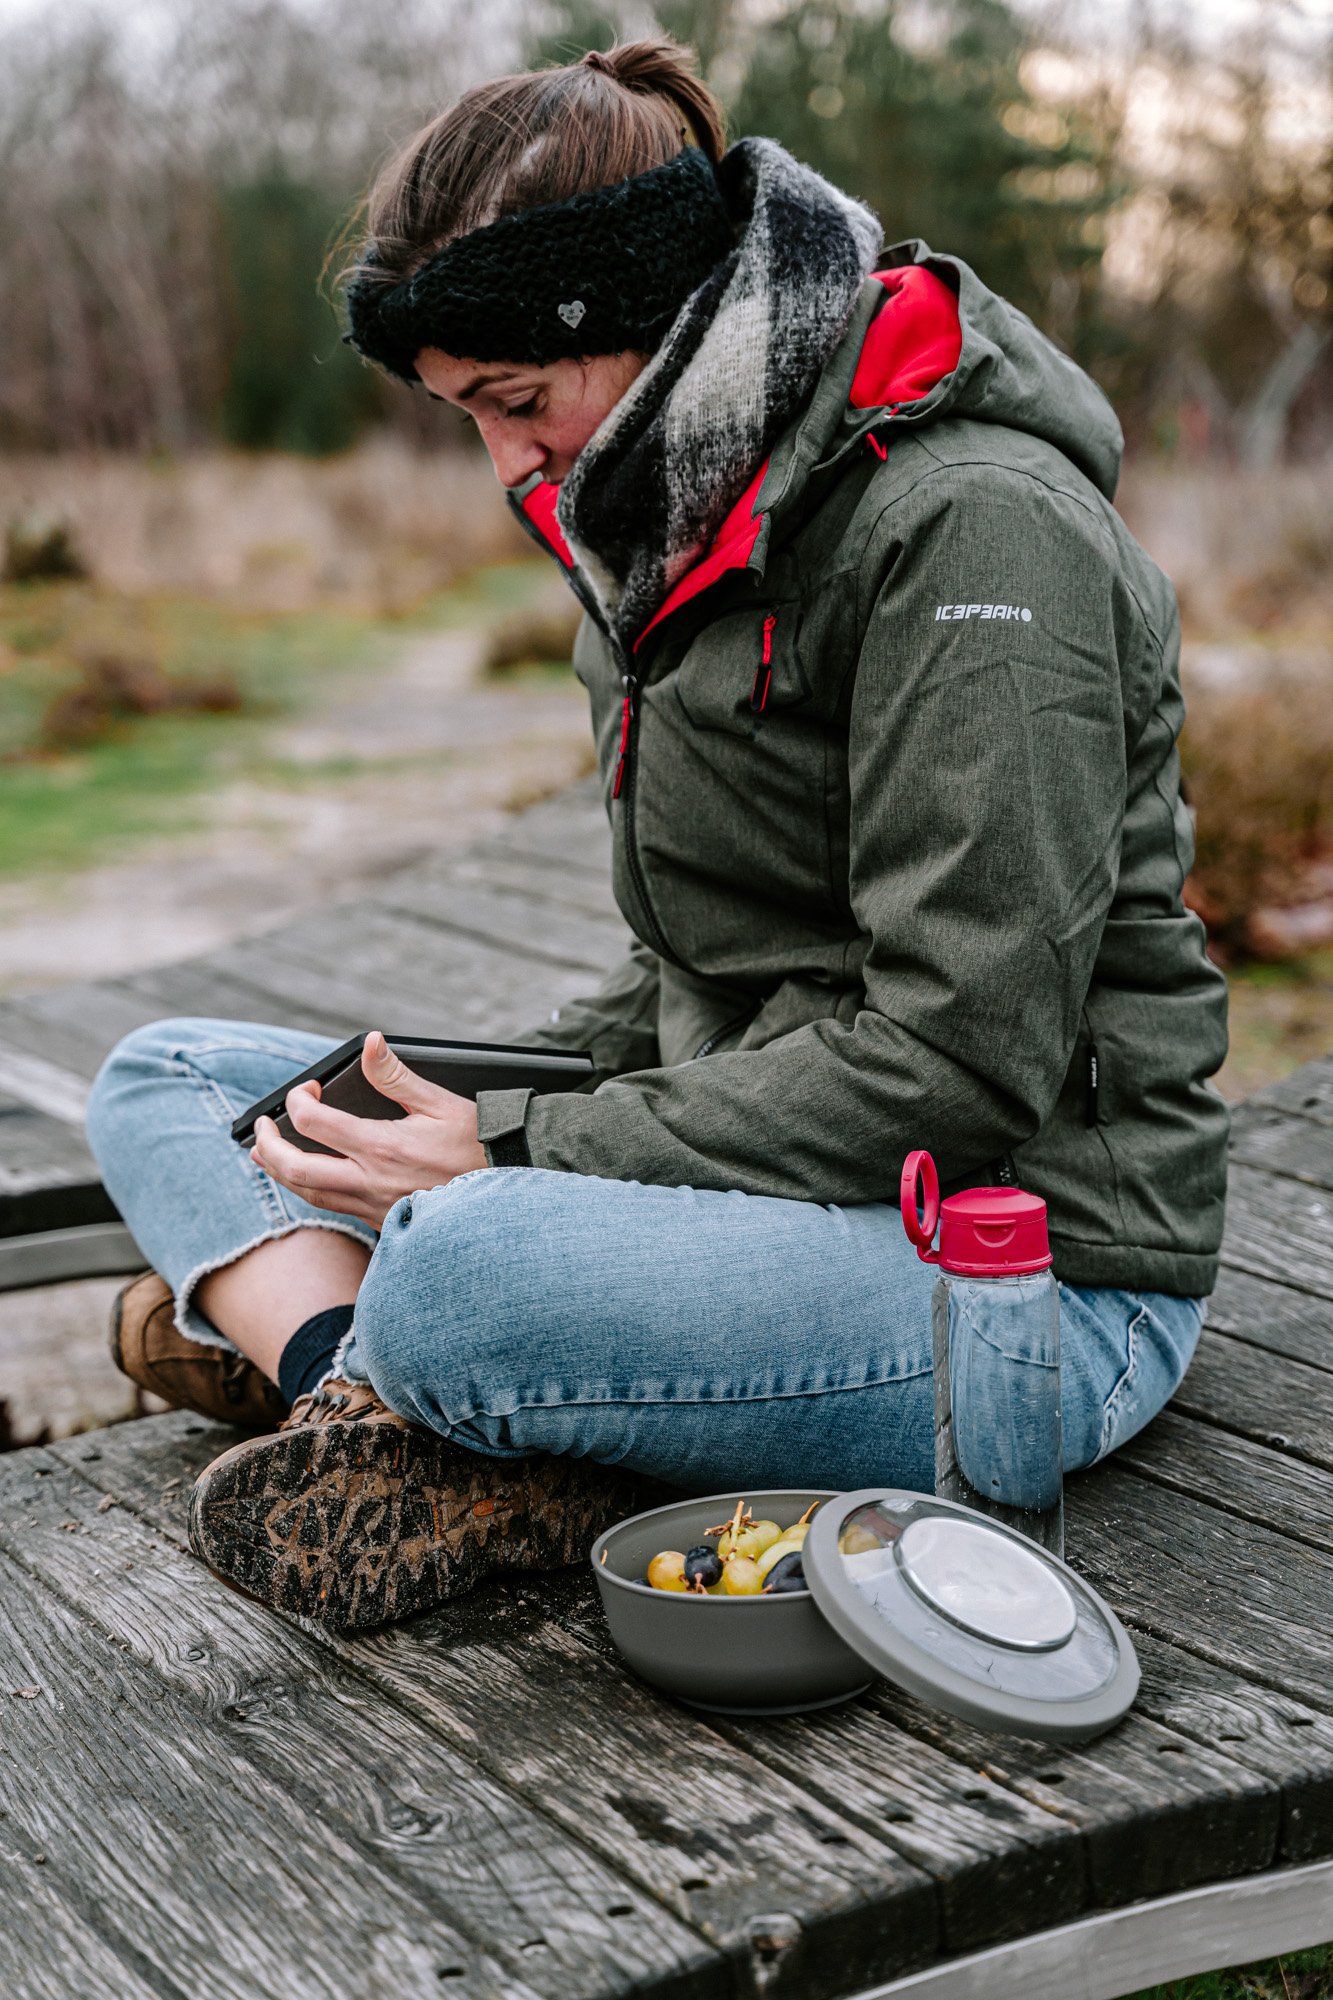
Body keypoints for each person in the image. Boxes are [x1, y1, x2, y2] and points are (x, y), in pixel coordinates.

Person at [86, 39, 1229, 1631]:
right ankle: (391, 1402)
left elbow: (967, 1061)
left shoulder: (972, 530)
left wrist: (503, 1155)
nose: (505, 466)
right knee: (172, 1082)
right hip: (764, 1172)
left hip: (1028, 1278)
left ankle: (363, 1356)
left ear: (664, 325)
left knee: (467, 1266)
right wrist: (453, 1110)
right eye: (459, 417)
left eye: (515, 401)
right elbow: (702, 964)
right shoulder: (667, 517)